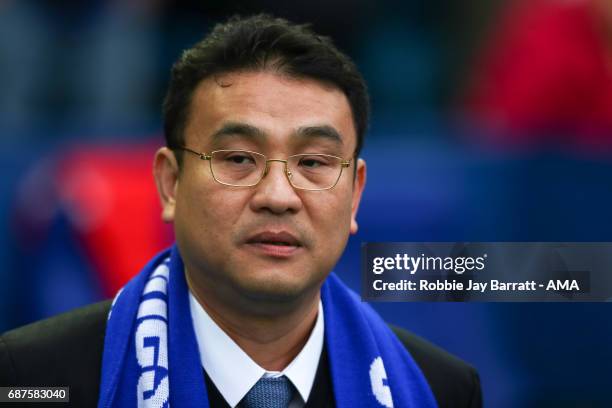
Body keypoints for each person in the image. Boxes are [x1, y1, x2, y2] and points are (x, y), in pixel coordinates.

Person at [1, 14, 481, 407]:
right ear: (170, 184)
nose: (278, 195)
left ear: (354, 195)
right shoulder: (34, 377)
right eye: (238, 160)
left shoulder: (440, 390)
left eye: (313, 163)